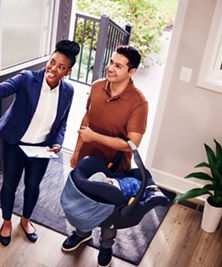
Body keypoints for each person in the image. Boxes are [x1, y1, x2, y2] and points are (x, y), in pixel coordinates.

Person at [0, 40, 80, 246]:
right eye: (52, 62)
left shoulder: (68, 91)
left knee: (33, 186)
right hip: (15, 144)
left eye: (61, 66)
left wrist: (58, 143)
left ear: (68, 71)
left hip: (41, 148)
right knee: (9, 185)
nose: (53, 68)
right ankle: (6, 222)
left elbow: (62, 123)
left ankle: (25, 220)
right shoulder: (27, 78)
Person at [61, 45, 147, 267]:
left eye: (118, 66)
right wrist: (78, 150)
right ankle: (82, 233)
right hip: (87, 160)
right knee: (85, 200)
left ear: (132, 72)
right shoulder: (97, 86)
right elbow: (87, 119)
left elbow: (131, 145)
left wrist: (94, 137)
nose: (111, 68)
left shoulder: (139, 102)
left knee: (108, 210)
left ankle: (106, 245)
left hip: (115, 167)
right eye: (111, 62)